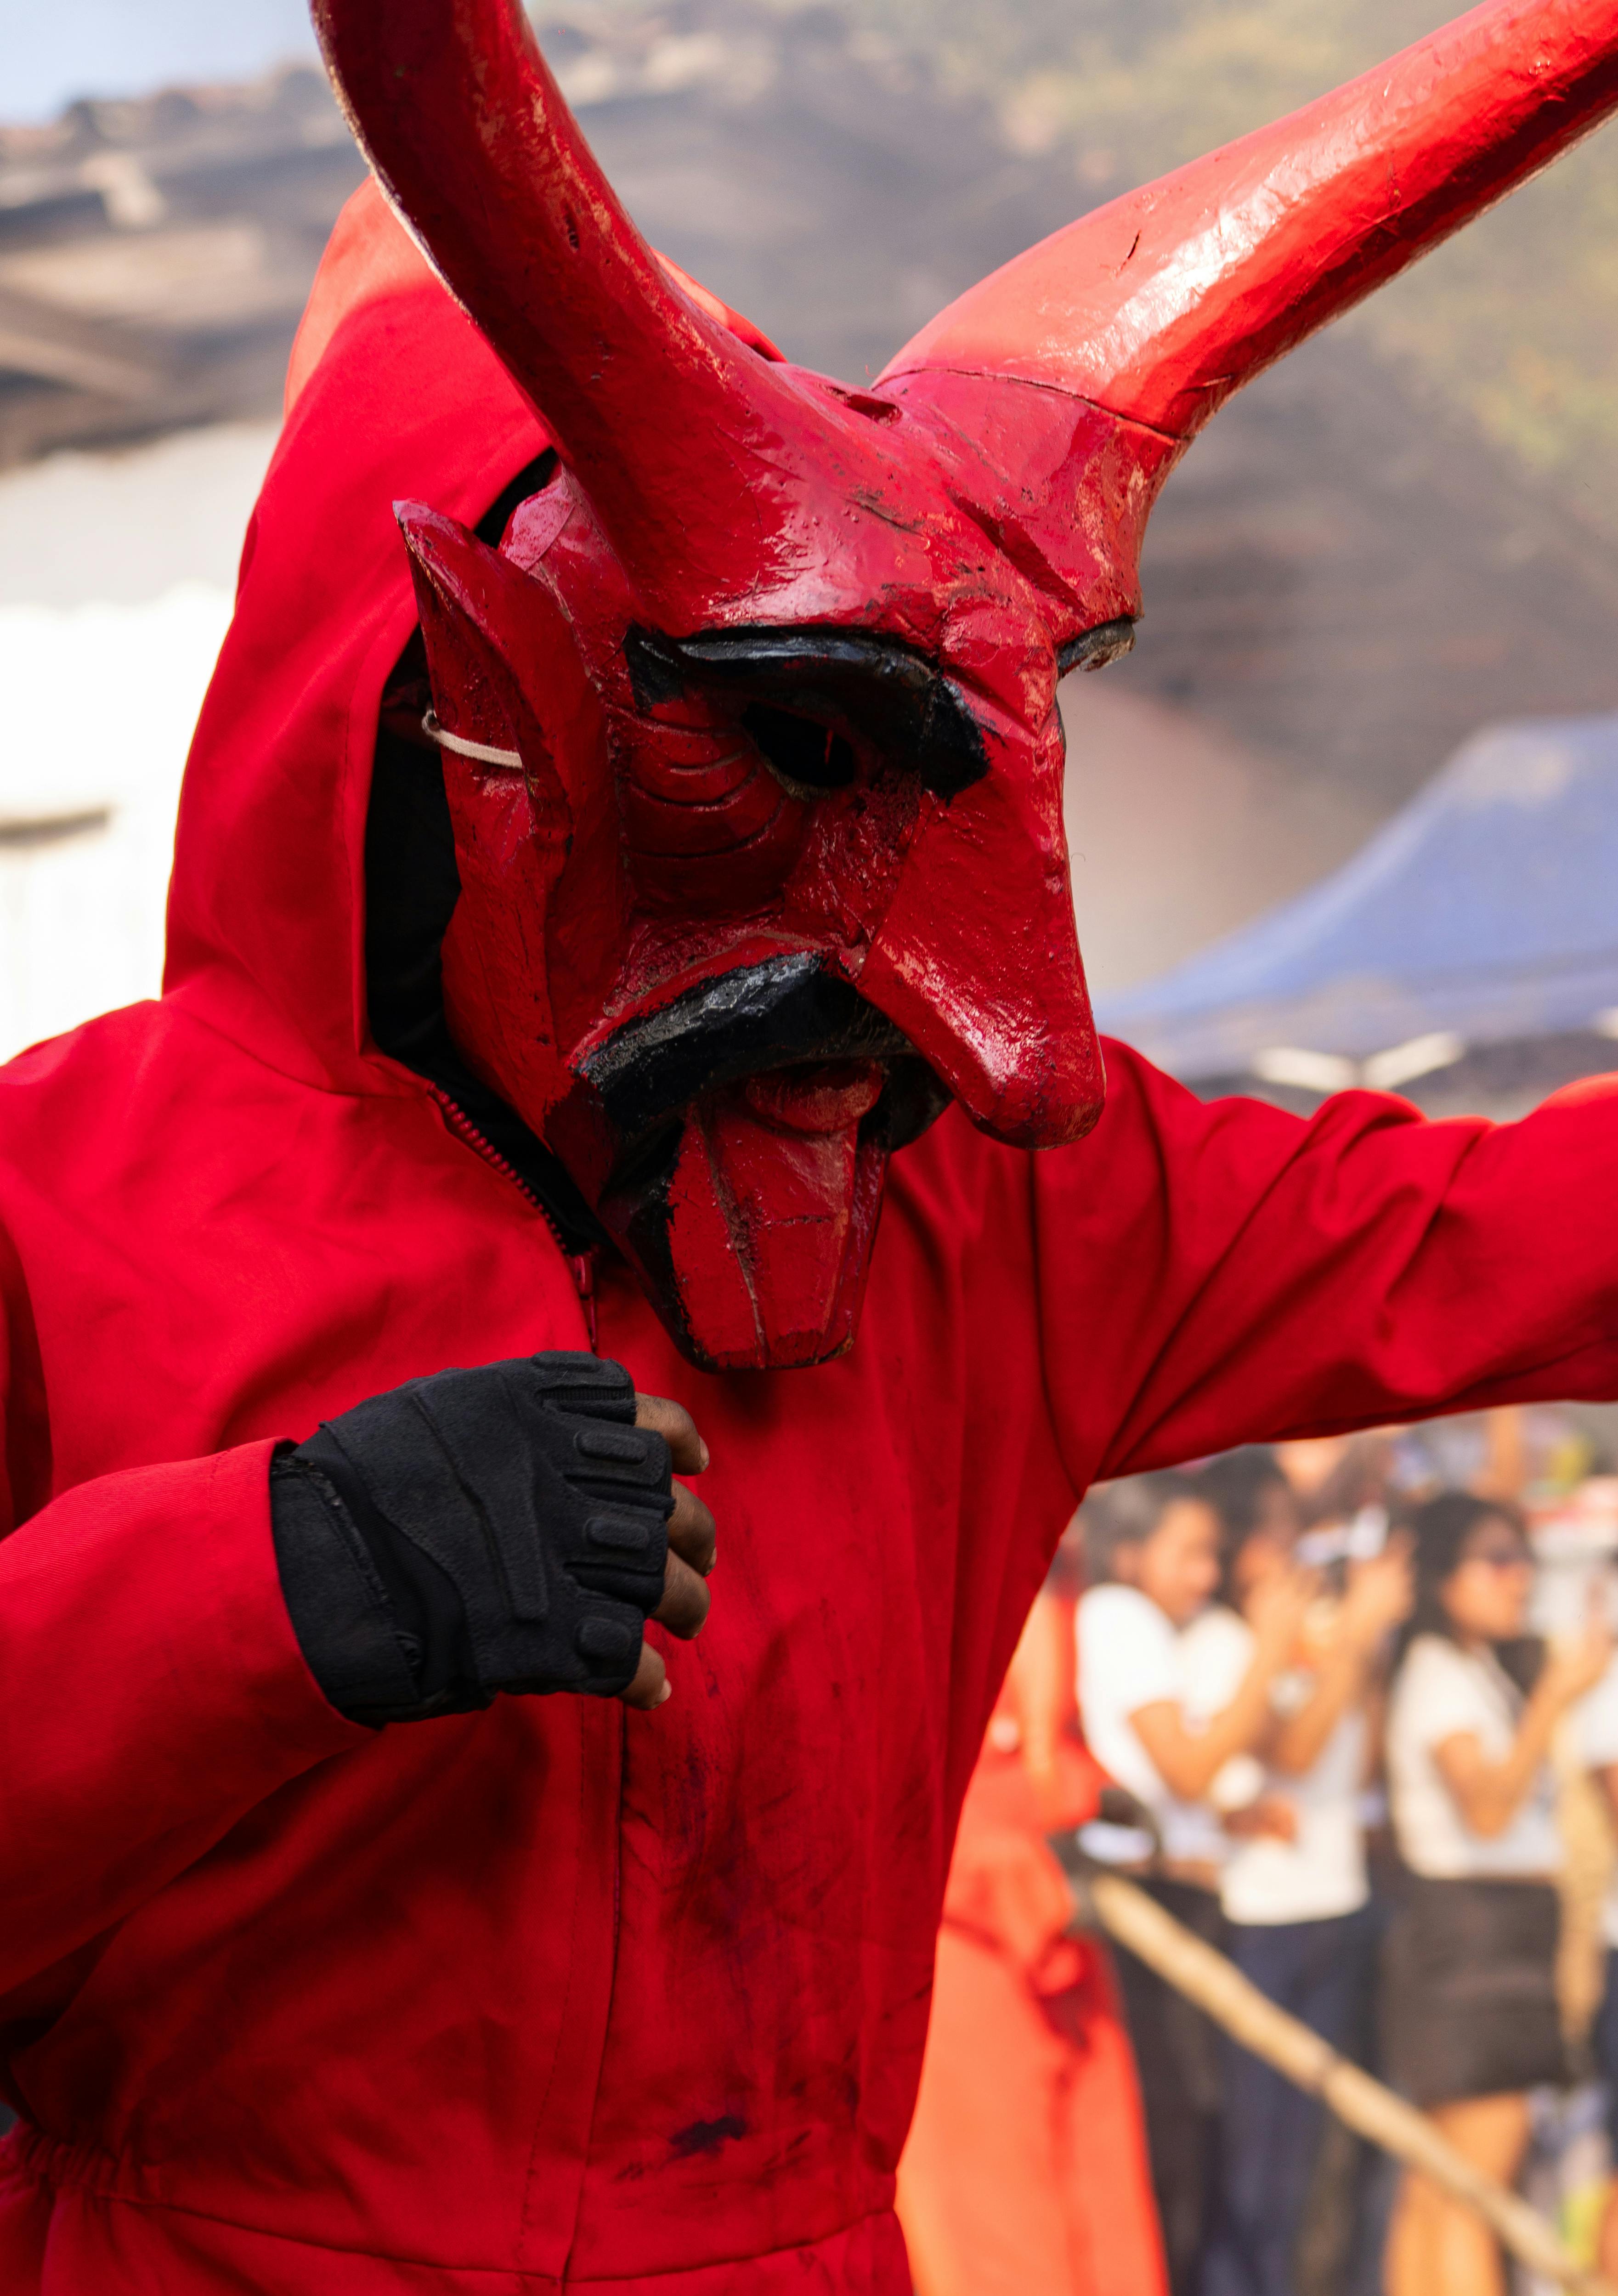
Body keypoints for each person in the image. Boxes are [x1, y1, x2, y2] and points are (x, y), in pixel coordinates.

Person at [4, 5, 1618, 2291]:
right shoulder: (59, 1196)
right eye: (776, 763)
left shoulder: (1004, 1204)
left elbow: (1504, 1231)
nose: (1003, 1049)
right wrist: (277, 1583)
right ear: (476, 703)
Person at [1076, 1474, 1312, 2293]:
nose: (1206, 1574)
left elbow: (1204, 1774)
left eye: (1213, 1553)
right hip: (1143, 1904)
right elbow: (1186, 1769)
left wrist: (1242, 1815)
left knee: (1202, 2129)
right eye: (1190, 1553)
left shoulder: (1181, 1627)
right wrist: (1273, 1650)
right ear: (1132, 1551)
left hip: (1189, 1899)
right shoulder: (1115, 1612)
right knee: (1172, 2130)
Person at [1187, 1449, 1412, 2296]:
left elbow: (1351, 1772)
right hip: (1260, 1918)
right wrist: (1353, 1635)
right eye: (1275, 1528)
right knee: (1252, 2171)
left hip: (1332, 1903)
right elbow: (1293, 1750)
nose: (1292, 1548)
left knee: (1303, 2170)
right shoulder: (1221, 1642)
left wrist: (1360, 1648)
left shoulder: (1307, 1637)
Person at [1382, 1493, 1612, 2296]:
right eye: (1495, 1560)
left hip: (1490, 1935)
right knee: (1475, 2186)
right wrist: (1555, 1695)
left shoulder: (1472, 1669)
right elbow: (1485, 1810)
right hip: (1474, 1940)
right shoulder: (1442, 1675)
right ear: (1441, 1578)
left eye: (1522, 1558)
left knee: (1439, 2186)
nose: (1516, 1578)